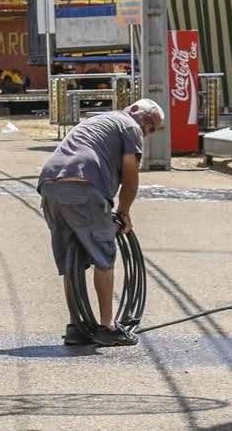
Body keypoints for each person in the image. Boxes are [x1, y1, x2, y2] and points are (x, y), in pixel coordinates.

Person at [37, 99, 165, 347]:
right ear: (134, 110)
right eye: (148, 122)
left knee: (71, 261)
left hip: (50, 184)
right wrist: (123, 213)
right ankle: (107, 327)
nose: (147, 129)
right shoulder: (130, 126)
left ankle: (77, 327)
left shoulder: (97, 121)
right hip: (83, 186)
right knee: (104, 256)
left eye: (152, 128)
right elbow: (131, 178)